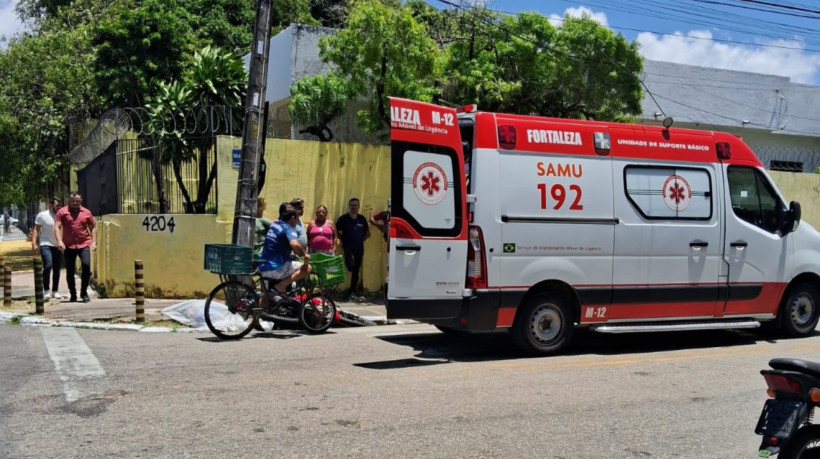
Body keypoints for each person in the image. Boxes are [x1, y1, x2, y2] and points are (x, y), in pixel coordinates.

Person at [259, 203, 311, 306]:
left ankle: (256, 320)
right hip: (276, 268)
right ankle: (282, 286)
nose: (297, 223)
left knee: (266, 295)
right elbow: (294, 244)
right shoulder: (289, 229)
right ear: (292, 217)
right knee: (307, 268)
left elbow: (278, 242)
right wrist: (304, 254)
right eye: (297, 219)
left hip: (264, 267)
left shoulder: (275, 224)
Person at [54, 192, 97, 303]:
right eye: (73, 201)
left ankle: (84, 292)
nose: (75, 203)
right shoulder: (62, 212)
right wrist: (59, 241)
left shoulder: (87, 213)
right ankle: (73, 293)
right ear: (69, 200)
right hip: (69, 245)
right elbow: (57, 227)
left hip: (84, 244)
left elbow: (92, 228)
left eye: (77, 201)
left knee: (86, 266)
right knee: (70, 270)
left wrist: (94, 242)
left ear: (81, 201)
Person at [336, 197, 370, 301]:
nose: (353, 207)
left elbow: (368, 233)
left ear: (358, 206)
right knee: (350, 265)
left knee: (356, 271)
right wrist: (343, 240)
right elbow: (335, 230)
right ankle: (351, 290)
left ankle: (352, 292)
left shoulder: (362, 219)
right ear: (349, 206)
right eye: (352, 205)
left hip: (359, 248)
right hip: (348, 247)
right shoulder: (344, 218)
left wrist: (360, 241)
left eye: (355, 205)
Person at [32, 197, 64, 299]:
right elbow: (36, 229)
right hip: (45, 244)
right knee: (48, 265)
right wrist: (34, 243)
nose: (58, 207)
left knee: (57, 268)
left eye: (60, 205)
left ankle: (55, 290)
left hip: (57, 245)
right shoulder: (43, 215)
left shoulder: (62, 215)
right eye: (56, 205)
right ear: (51, 205)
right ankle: (46, 289)